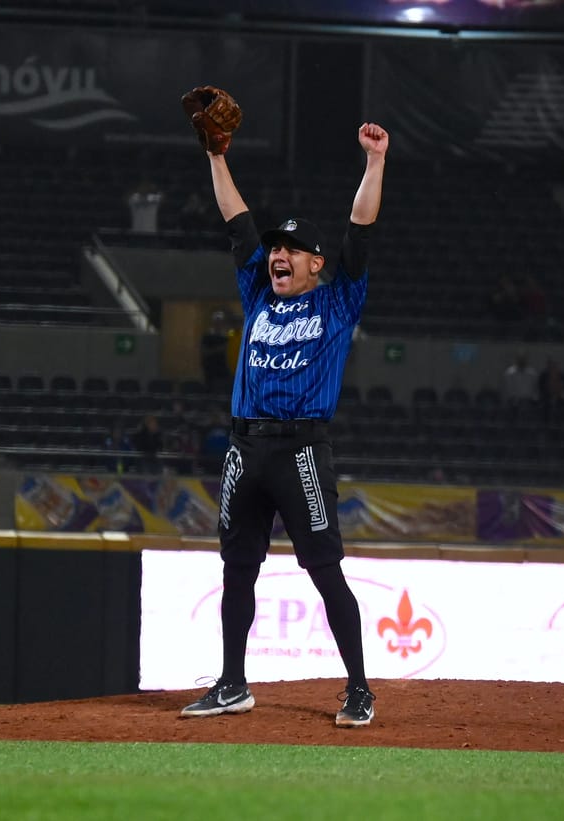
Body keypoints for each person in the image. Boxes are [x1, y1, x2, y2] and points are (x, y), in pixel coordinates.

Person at [178, 121, 388, 729]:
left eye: (291, 249)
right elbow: (236, 220)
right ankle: (232, 683)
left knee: (324, 571)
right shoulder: (258, 295)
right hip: (245, 448)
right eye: (276, 249)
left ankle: (358, 688)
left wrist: (374, 163)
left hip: (301, 450)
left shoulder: (337, 298)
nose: (277, 254)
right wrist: (217, 155)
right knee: (236, 570)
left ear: (316, 262)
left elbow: (361, 229)